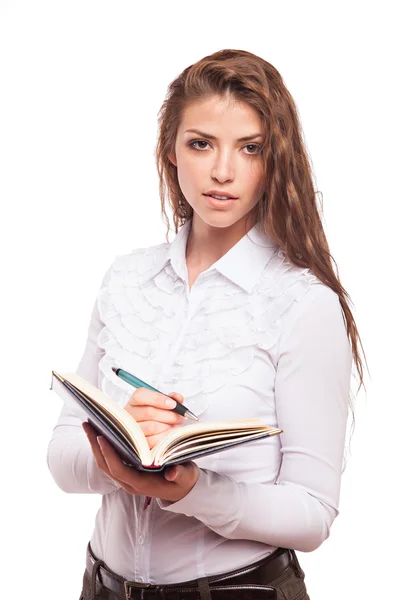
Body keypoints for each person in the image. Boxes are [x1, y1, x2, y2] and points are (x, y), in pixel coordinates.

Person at [47, 49, 367, 600]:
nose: (223, 171)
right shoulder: (126, 279)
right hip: (101, 588)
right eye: (201, 144)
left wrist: (191, 489)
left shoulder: (303, 304)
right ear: (170, 150)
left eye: (250, 148)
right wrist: (120, 448)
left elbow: (313, 515)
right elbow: (60, 460)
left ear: (276, 160)